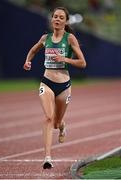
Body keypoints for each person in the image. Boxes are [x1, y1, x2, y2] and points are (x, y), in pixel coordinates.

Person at [23, 7, 86, 169]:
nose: (57, 19)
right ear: (52, 20)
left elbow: (82, 63)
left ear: (65, 21)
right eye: (55, 17)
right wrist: (28, 60)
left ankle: (63, 126)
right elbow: (33, 49)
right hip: (47, 82)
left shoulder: (70, 38)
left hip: (64, 85)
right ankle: (47, 157)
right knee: (49, 118)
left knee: (57, 123)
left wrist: (64, 58)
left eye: (61, 17)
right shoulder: (45, 38)